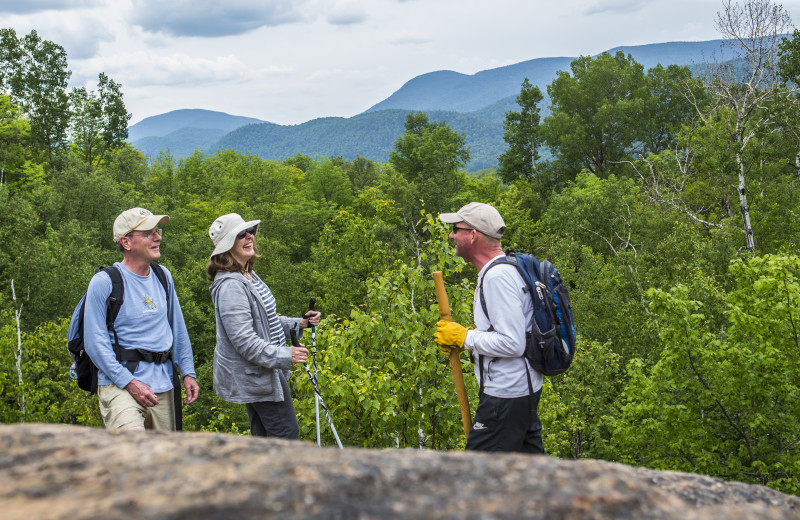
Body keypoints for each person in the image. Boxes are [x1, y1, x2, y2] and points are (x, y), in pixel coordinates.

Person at [433, 202, 544, 453]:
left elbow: (513, 343)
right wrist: (467, 339)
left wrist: (465, 337)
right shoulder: (508, 268)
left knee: (478, 475)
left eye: (455, 229)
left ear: (473, 235)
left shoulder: (497, 277)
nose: (451, 235)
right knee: (528, 474)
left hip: (505, 397)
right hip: (520, 393)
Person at [84, 207, 199, 431]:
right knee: (132, 447)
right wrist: (129, 382)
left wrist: (187, 371)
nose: (158, 238)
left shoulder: (163, 275)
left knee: (162, 459)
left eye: (157, 232)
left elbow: (177, 327)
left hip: (163, 383)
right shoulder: (104, 282)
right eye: (148, 233)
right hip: (120, 384)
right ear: (126, 242)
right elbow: (94, 343)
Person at [206, 213, 321, 439]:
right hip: (257, 373)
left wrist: (300, 324)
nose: (249, 236)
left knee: (264, 436)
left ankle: (258, 475)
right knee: (285, 434)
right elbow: (244, 341)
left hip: (264, 369)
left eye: (251, 232)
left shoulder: (247, 274)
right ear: (227, 245)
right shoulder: (231, 285)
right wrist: (285, 355)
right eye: (241, 234)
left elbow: (265, 321)